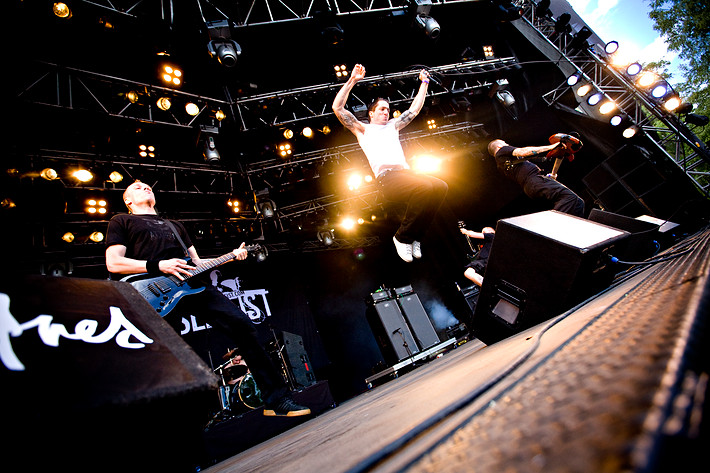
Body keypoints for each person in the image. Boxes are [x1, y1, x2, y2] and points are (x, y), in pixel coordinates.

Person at [105, 180, 311, 417]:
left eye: (147, 186)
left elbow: (199, 264)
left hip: (193, 286)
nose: (145, 187)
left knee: (243, 327)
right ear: (128, 201)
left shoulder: (174, 226)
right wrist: (159, 265)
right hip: (154, 293)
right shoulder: (122, 221)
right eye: (137, 187)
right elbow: (114, 262)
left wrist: (231, 256)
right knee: (165, 356)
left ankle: (277, 400)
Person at [332, 63, 449, 262]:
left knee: (440, 187)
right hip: (388, 179)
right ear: (371, 113)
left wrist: (425, 83)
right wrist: (352, 80)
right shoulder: (362, 129)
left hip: (406, 174)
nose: (387, 112)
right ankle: (401, 237)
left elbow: (414, 110)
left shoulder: (393, 126)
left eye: (388, 110)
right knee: (425, 188)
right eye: (382, 110)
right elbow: (338, 108)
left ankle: (416, 237)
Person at [487, 136, 585, 217]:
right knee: (572, 199)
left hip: (532, 186)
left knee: (576, 203)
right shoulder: (502, 151)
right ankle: (552, 232)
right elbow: (524, 151)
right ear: (499, 146)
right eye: (505, 143)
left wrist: (552, 175)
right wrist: (553, 146)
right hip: (534, 181)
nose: (508, 145)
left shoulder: (502, 165)